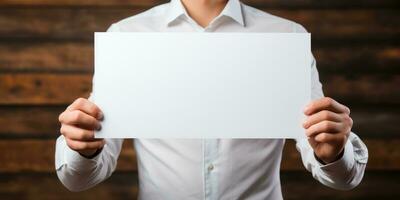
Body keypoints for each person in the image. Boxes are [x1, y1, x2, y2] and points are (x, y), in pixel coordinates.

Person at [55, 0, 368, 199]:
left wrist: (333, 153)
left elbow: (341, 178)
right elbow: (79, 179)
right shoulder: (126, 37)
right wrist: (80, 147)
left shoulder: (286, 37)